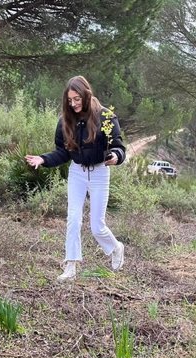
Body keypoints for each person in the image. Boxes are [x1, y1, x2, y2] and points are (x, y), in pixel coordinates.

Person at [25, 76, 127, 281]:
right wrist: (43, 159)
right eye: (70, 100)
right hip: (77, 172)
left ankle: (116, 248)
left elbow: (118, 145)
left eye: (77, 99)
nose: (73, 104)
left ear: (86, 95)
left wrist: (115, 156)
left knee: (97, 226)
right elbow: (63, 153)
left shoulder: (106, 117)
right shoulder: (65, 120)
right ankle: (70, 266)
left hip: (99, 172)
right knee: (73, 219)